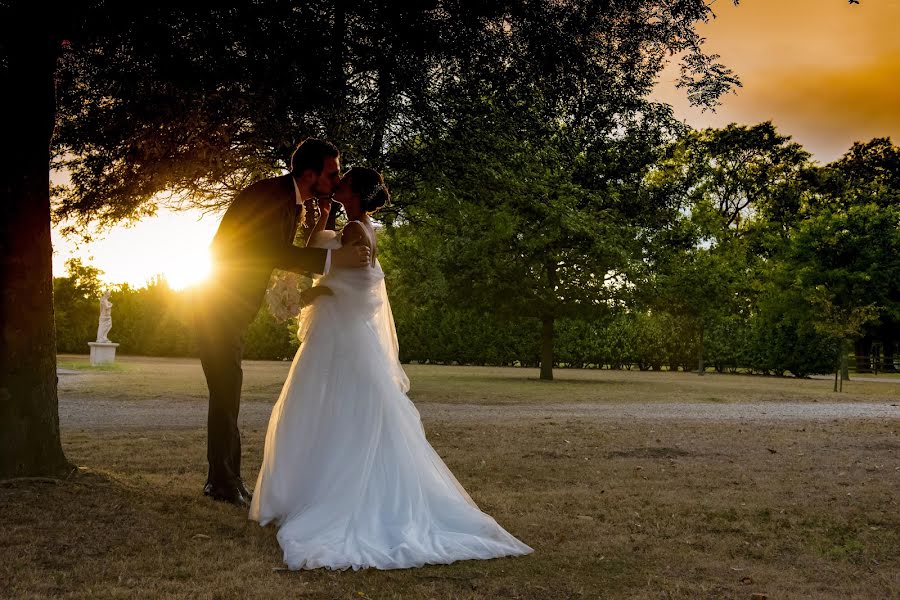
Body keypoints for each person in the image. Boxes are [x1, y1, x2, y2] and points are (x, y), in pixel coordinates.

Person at [249, 167, 532, 570]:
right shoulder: (357, 227)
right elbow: (327, 262)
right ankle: (320, 492)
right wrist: (322, 223)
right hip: (344, 339)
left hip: (338, 343)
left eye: (343, 183)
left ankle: (329, 499)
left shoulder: (353, 232)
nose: (337, 185)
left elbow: (335, 279)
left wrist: (306, 295)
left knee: (325, 417)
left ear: (356, 194)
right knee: (340, 419)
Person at [197, 138, 370, 507]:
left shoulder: (290, 200)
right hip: (216, 305)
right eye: (332, 172)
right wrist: (331, 263)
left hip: (229, 308)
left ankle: (226, 478)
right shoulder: (271, 196)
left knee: (229, 392)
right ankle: (222, 481)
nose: (336, 180)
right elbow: (268, 251)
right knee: (227, 391)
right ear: (310, 174)